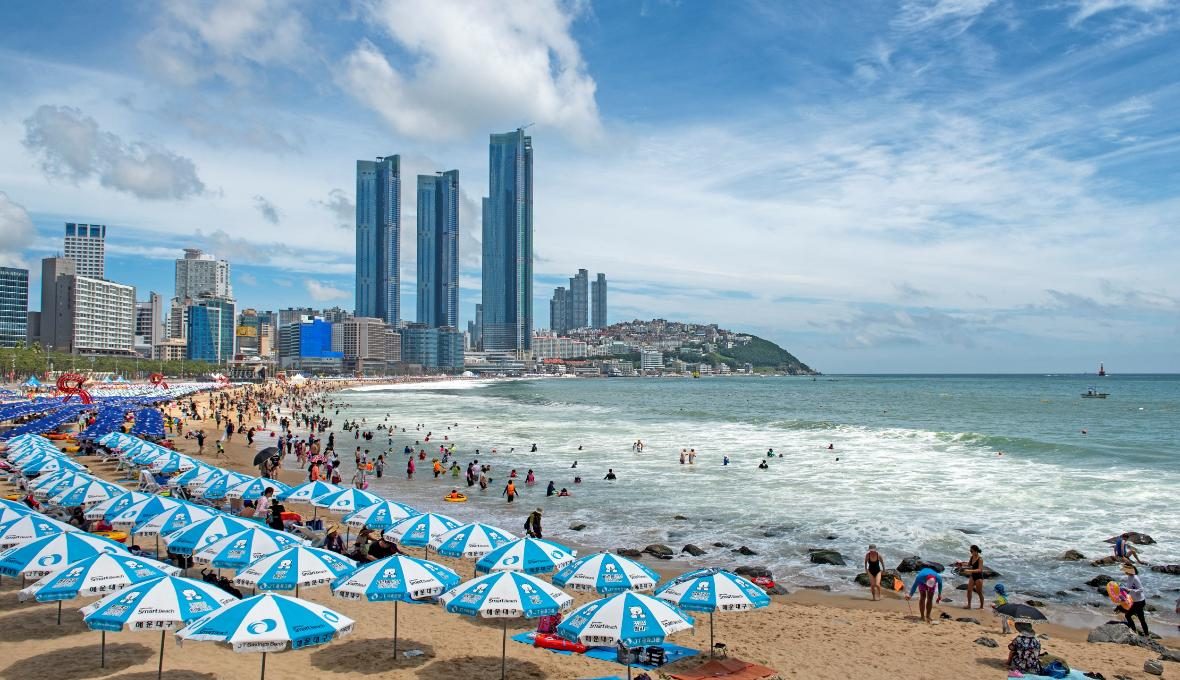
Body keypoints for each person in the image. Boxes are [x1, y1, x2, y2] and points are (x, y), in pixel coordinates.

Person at [1120, 564, 1150, 636]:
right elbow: (1129, 589)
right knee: (1128, 615)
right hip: (1135, 601)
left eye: (1125, 570)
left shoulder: (1135, 578)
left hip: (1139, 602)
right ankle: (1135, 631)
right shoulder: (1129, 577)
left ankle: (1146, 634)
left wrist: (1129, 590)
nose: (1124, 572)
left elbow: (1141, 589)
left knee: (1140, 619)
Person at [961, 545, 986, 609]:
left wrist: (969, 570)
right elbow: (969, 564)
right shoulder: (972, 557)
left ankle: (981, 607)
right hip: (973, 576)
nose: (971, 552)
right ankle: (969, 605)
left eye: (971, 551)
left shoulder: (980, 559)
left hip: (979, 577)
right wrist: (961, 564)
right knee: (969, 590)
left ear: (976, 551)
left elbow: (980, 569)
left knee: (979, 592)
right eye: (970, 551)